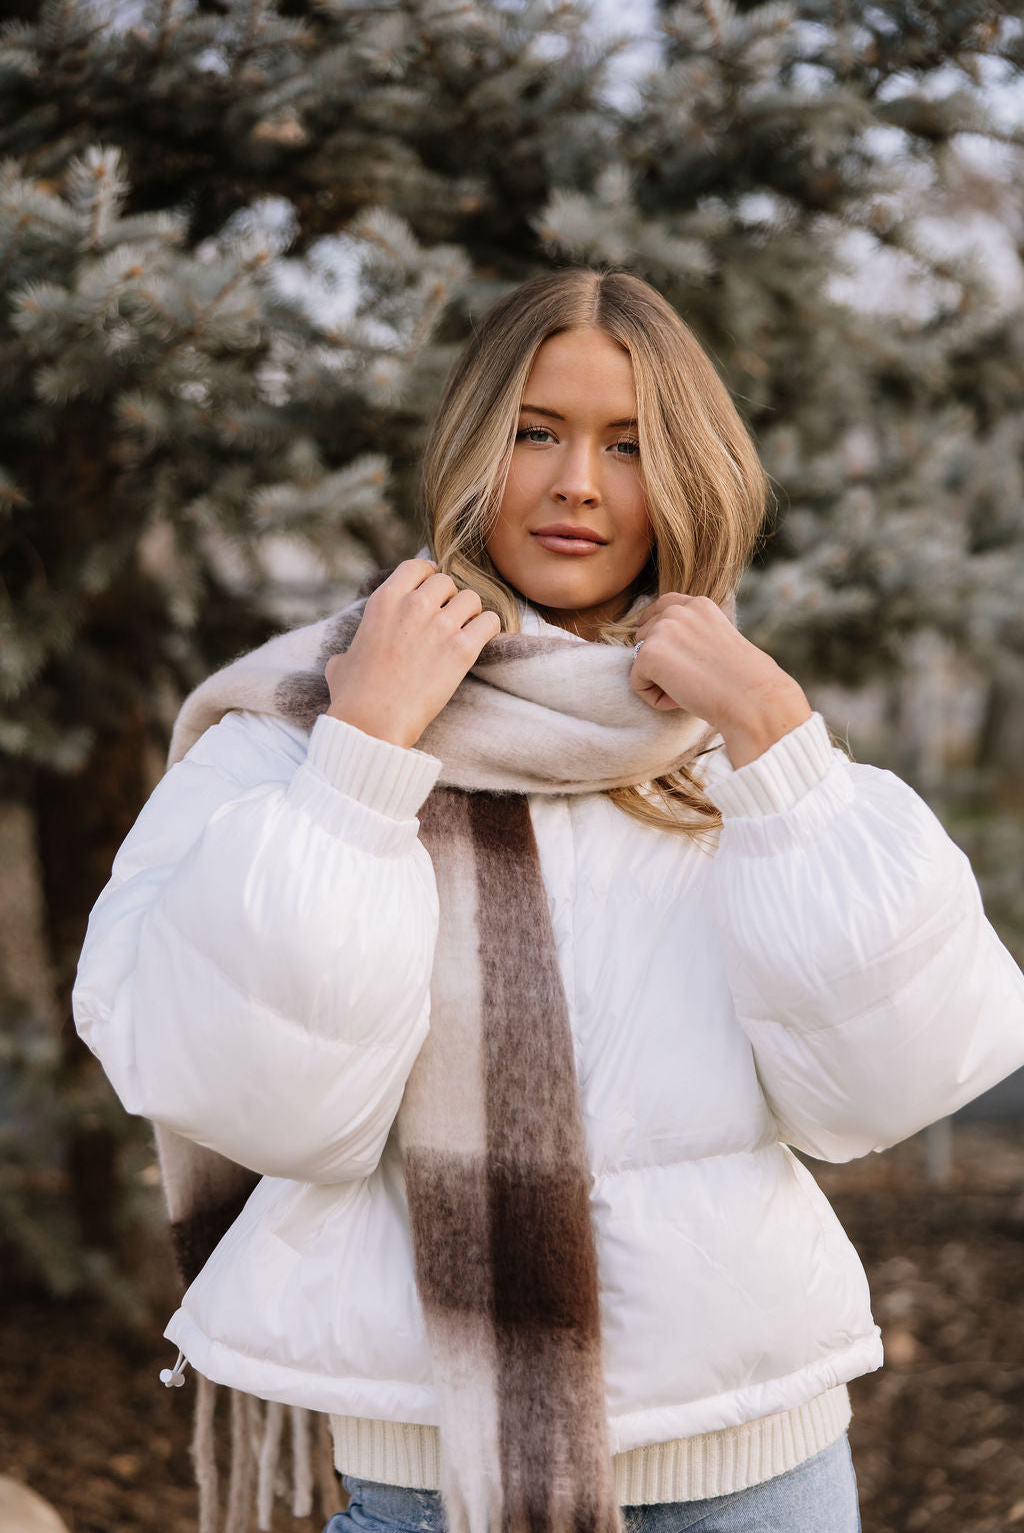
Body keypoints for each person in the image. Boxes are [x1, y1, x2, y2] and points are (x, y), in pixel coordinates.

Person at [72, 269, 1024, 1533]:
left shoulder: (727, 736)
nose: (578, 480)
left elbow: (883, 1090)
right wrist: (366, 754)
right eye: (536, 432)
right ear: (473, 447)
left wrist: (778, 740)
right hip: (430, 1481)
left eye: (628, 445)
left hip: (761, 1468)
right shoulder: (302, 730)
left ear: (686, 473)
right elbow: (267, 1104)